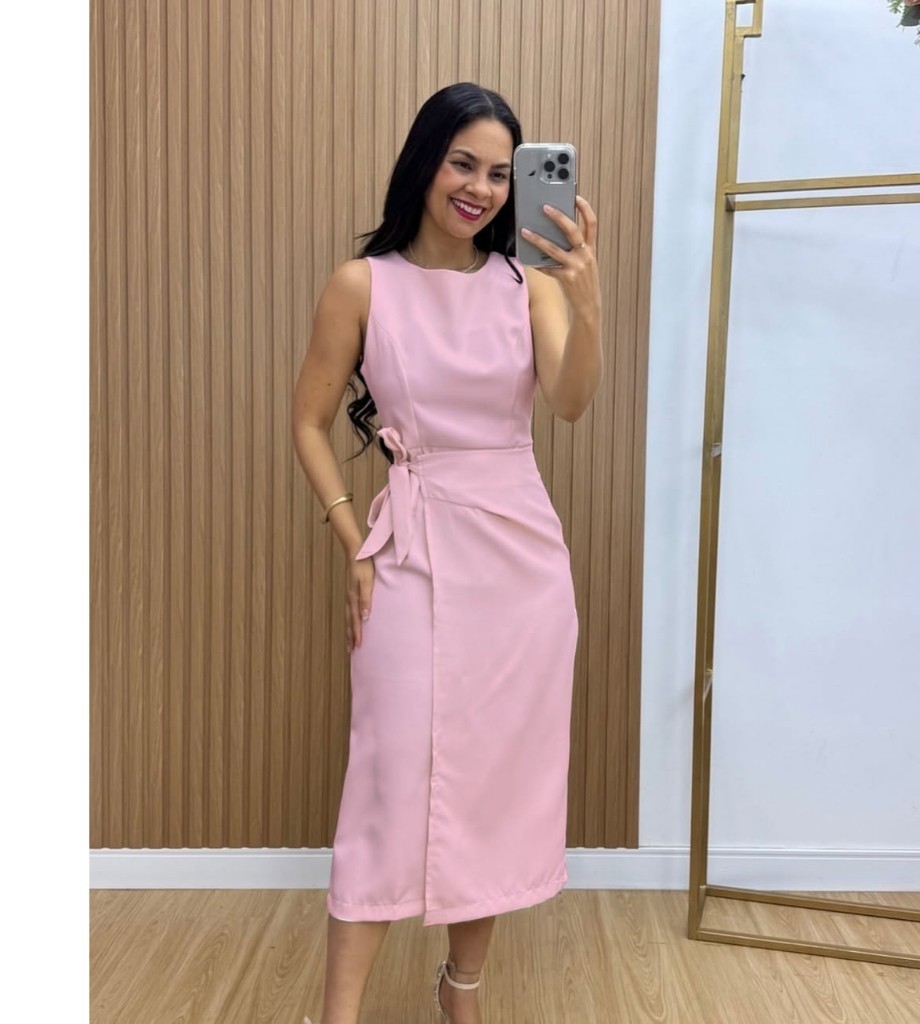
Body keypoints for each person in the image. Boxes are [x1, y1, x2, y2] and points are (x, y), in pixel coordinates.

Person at [291, 82, 602, 1024]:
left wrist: (587, 302)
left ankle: (461, 992)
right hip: (413, 545)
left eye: (501, 174)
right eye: (463, 163)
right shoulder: (362, 284)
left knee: (493, 785)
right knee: (386, 778)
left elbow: (571, 403)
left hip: (520, 565)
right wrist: (354, 540)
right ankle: (339, 1013)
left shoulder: (530, 286)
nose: (481, 188)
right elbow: (307, 423)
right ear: (424, 160)